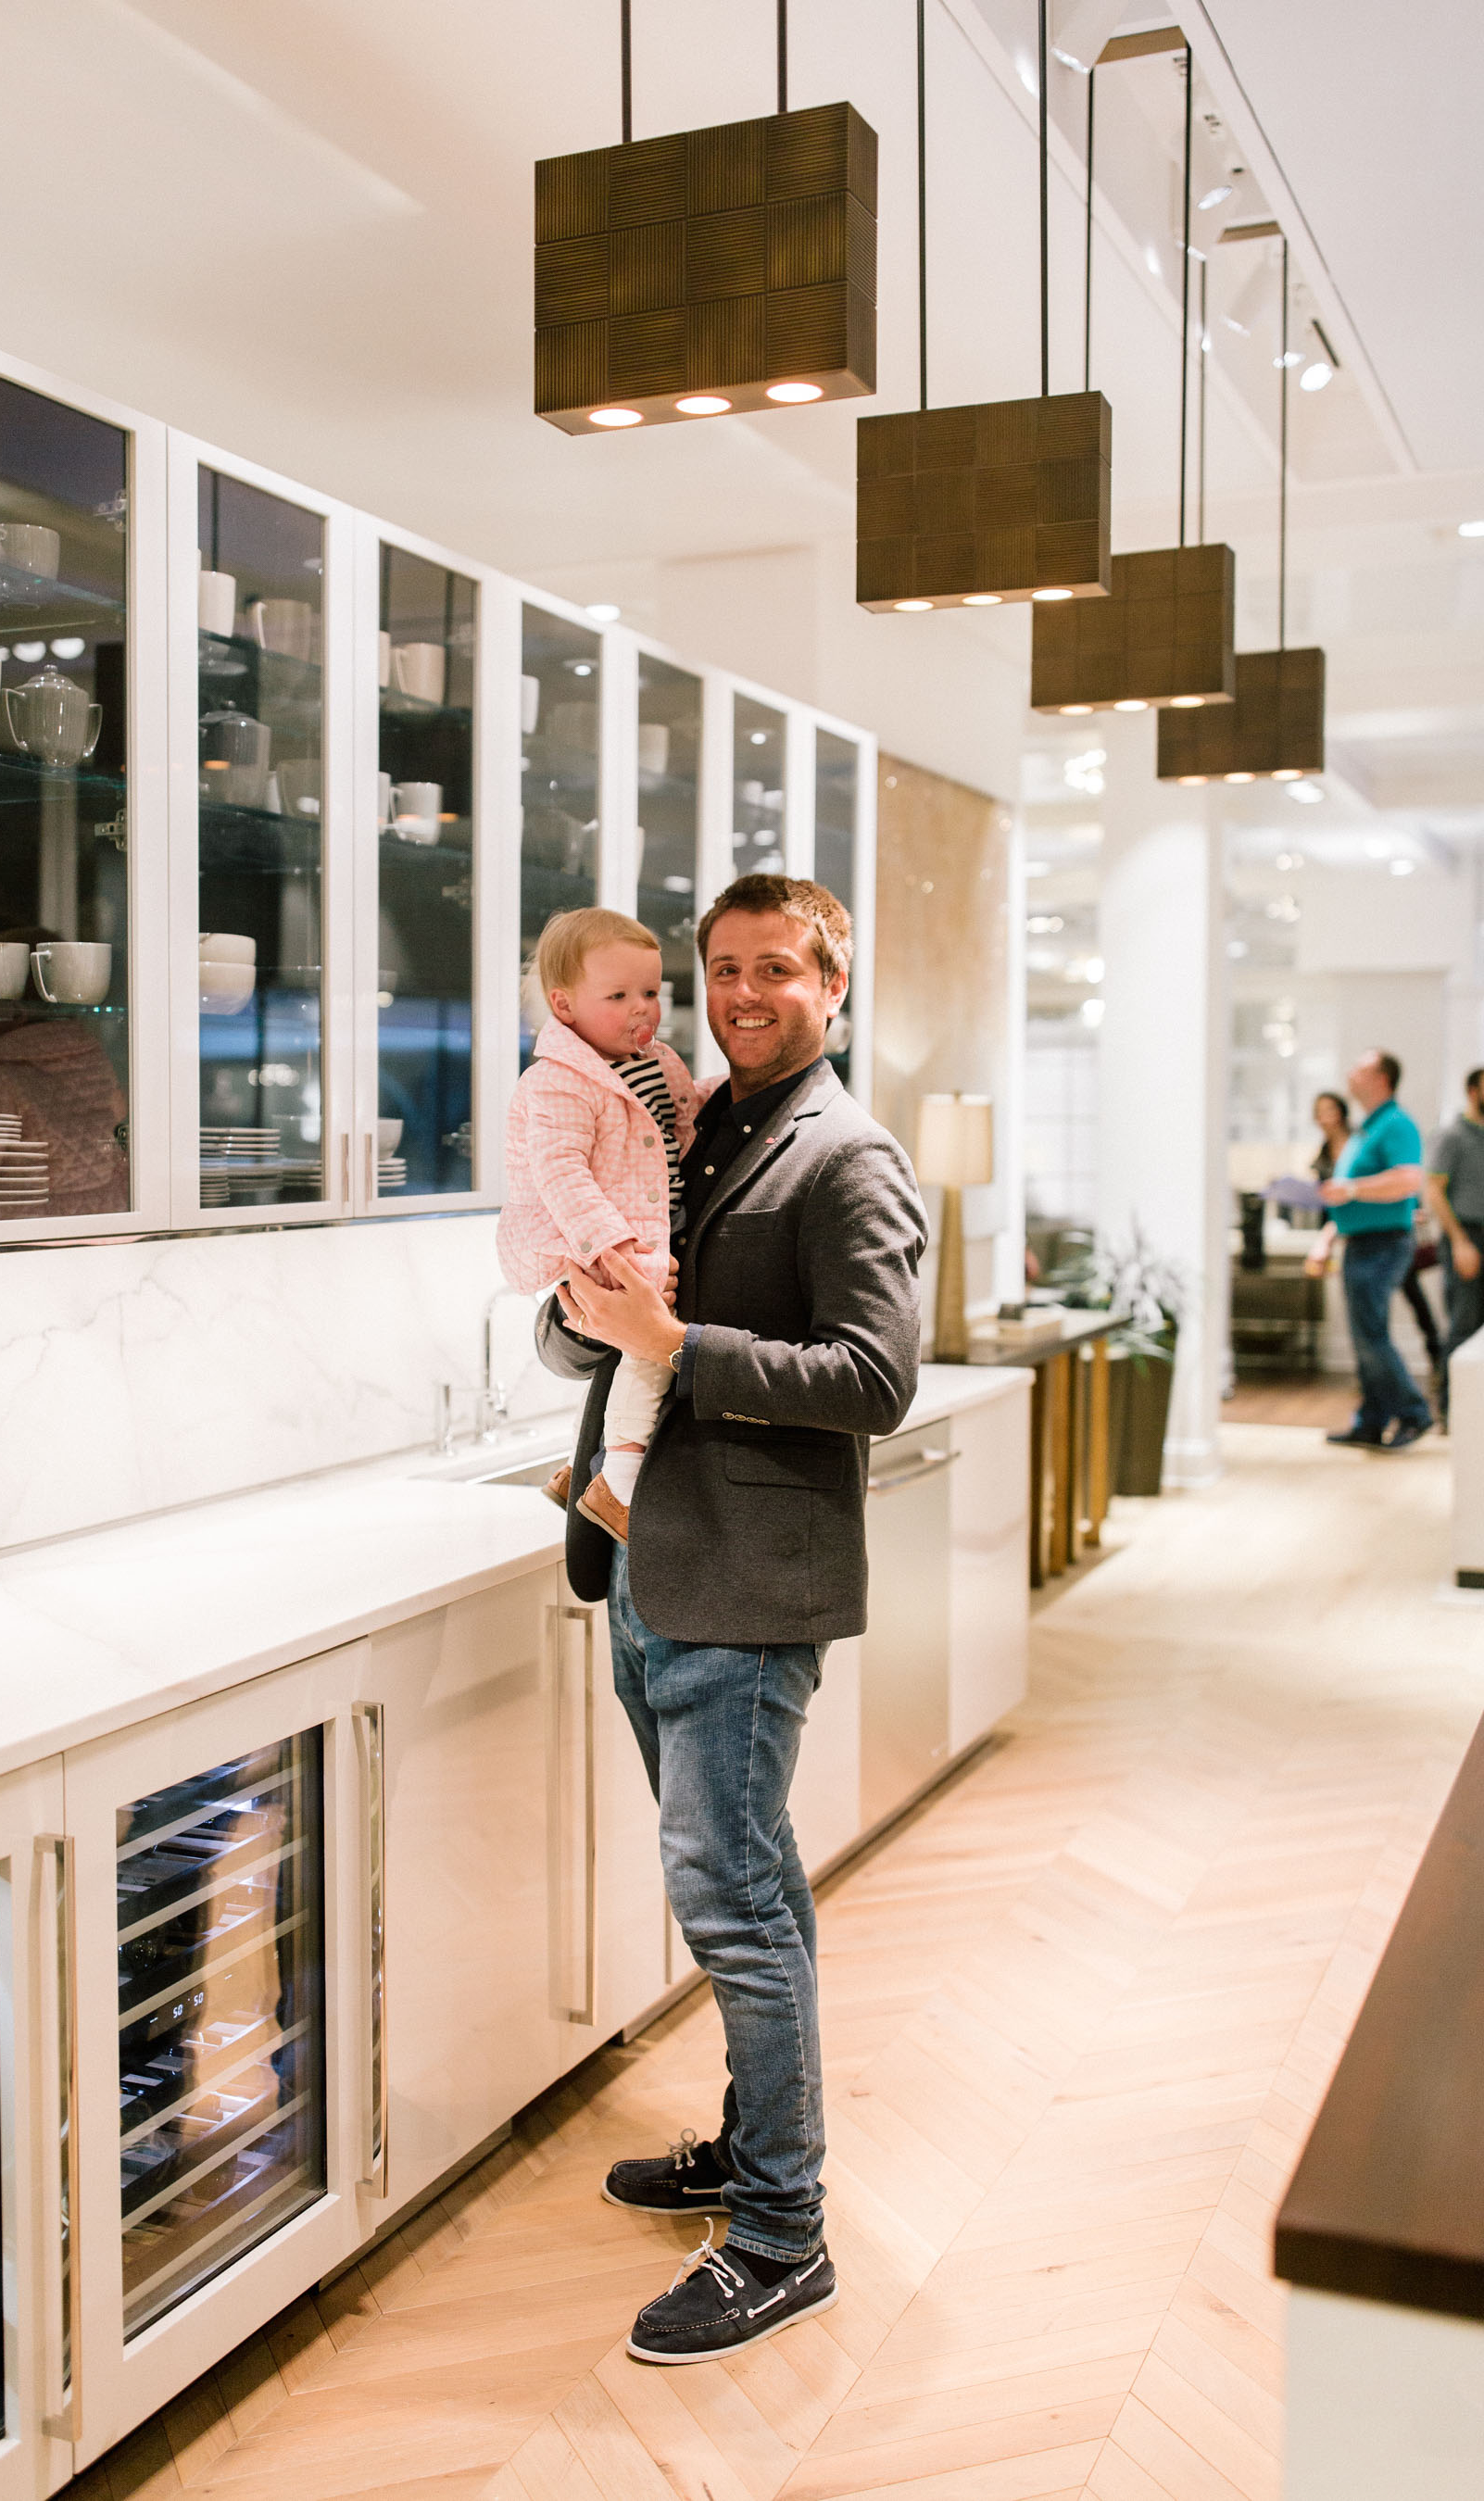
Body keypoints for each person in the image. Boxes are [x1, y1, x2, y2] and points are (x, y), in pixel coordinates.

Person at [534, 872, 926, 2364]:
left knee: (732, 1902)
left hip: (748, 1586)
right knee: (747, 1885)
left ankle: (780, 2233)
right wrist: (585, 1316)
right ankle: (753, 2141)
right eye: (722, 969)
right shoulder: (697, 1130)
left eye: (777, 969)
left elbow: (875, 1380)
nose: (744, 994)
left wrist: (678, 1344)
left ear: (835, 983)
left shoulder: (849, 1156)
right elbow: (600, 1313)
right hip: (648, 1559)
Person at [497, 908, 708, 1543]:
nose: (641, 1008)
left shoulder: (654, 1059)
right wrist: (616, 1250)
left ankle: (578, 1468)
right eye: (618, 996)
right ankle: (618, 1483)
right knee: (651, 1346)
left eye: (651, 992)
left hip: (644, 1223)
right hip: (598, 1239)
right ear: (564, 1006)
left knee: (629, 1347)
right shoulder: (559, 1080)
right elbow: (560, 1171)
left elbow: (684, 1113)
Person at [1309, 1049, 1431, 1449]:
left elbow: (1410, 1178)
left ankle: (1414, 1413)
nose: (1350, 1074)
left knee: (1372, 1336)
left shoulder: (1396, 1123)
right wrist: (1328, 1234)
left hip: (1382, 1244)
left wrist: (1353, 1189)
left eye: (1359, 1068)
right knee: (1365, 1336)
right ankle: (1372, 1420)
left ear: (1381, 1078)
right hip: (1361, 1242)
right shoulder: (1367, 1128)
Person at [1428, 1065, 1484, 1375]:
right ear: (1473, 1092)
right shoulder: (1451, 1135)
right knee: (1464, 1326)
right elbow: (1434, 1191)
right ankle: (1451, 1414)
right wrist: (1460, 1242)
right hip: (1466, 1238)